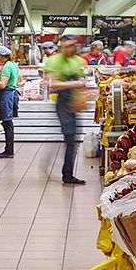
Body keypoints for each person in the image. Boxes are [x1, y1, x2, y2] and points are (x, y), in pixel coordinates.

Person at [42, 34, 88, 185]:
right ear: (61, 46)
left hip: (74, 101)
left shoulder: (77, 61)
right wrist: (75, 84)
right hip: (63, 102)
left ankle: (67, 172)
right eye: (66, 45)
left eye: (72, 45)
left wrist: (85, 91)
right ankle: (67, 175)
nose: (69, 48)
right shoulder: (54, 60)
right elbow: (53, 84)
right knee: (70, 138)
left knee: (73, 139)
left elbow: (82, 81)